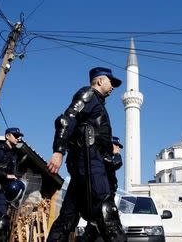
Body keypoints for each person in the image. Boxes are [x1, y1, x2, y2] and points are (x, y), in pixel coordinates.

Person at [46, 67, 126, 242]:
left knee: (68, 217)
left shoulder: (98, 103)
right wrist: (58, 151)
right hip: (89, 161)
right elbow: (66, 120)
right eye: (111, 82)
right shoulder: (88, 94)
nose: (113, 86)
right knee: (107, 211)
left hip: (89, 163)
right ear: (100, 81)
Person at [83, 136, 124, 242]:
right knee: (113, 230)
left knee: (93, 229)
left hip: (103, 195)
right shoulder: (103, 156)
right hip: (103, 196)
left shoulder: (104, 156)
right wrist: (117, 154)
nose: (118, 148)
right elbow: (116, 163)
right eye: (116, 145)